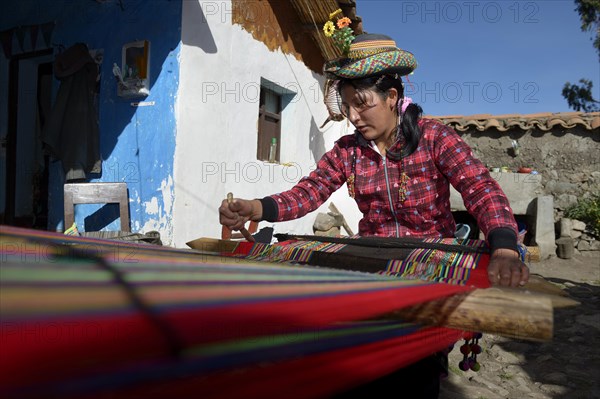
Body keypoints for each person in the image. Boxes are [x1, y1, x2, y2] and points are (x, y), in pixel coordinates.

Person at [219, 33, 529, 397]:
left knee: (413, 368)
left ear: (392, 98)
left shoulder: (434, 139)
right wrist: (256, 208)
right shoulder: (348, 151)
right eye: (348, 105)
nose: (353, 116)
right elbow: (309, 192)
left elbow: (481, 189)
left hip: (431, 272)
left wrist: (504, 247)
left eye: (362, 104)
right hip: (374, 265)